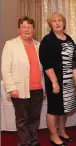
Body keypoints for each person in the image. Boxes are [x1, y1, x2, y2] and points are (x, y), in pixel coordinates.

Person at [1, 16, 44, 146]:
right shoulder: (11, 44)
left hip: (38, 89)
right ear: (18, 29)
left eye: (29, 27)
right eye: (23, 27)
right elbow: (5, 68)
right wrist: (11, 88)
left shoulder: (39, 45)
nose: (26, 29)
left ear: (34, 30)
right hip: (19, 90)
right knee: (22, 119)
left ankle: (33, 141)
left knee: (34, 119)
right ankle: (25, 143)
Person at [39, 12, 76, 146]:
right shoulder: (48, 40)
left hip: (68, 80)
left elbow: (74, 60)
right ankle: (53, 135)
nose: (57, 23)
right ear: (50, 24)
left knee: (64, 107)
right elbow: (46, 63)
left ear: (64, 23)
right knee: (54, 108)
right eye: (54, 21)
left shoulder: (68, 38)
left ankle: (62, 131)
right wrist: (54, 82)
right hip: (55, 80)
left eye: (60, 20)